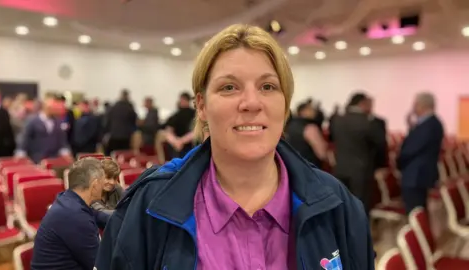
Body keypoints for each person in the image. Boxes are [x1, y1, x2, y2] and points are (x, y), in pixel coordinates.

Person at [95, 24, 374, 270]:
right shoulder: (147, 207)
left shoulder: (339, 205)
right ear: (202, 106)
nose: (251, 102)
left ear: (285, 104)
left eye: (268, 87)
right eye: (229, 87)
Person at [31, 158, 110, 270]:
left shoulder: (68, 200)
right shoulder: (76, 217)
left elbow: (96, 215)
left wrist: (122, 218)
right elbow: (101, 265)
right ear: (95, 185)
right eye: (103, 181)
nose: (104, 187)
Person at [330, 92, 386, 215]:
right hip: (361, 171)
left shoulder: (337, 120)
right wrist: (381, 165)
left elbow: (332, 140)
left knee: (342, 204)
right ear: (362, 104)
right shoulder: (368, 122)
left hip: (340, 168)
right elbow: (381, 145)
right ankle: (359, 233)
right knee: (360, 206)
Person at [398, 92, 443, 214]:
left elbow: (410, 149)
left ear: (421, 105)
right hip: (419, 175)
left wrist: (398, 161)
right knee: (418, 210)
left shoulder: (429, 125)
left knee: (414, 211)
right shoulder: (428, 124)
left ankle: (416, 232)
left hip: (416, 176)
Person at [16, 95, 73, 163]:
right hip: (36, 160)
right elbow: (24, 140)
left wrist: (66, 154)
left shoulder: (58, 122)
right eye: (53, 107)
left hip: (53, 161)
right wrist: (21, 155)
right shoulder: (32, 121)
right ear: (46, 107)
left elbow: (62, 142)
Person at [286, 102, 327, 167]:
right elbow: (321, 153)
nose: (314, 112)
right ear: (303, 111)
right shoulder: (310, 127)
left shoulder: (290, 125)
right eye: (311, 109)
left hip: (292, 165)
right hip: (310, 166)